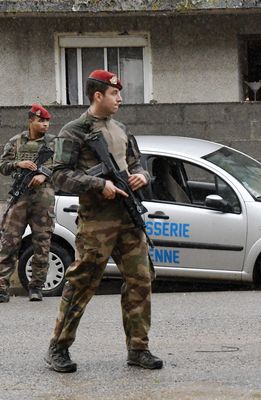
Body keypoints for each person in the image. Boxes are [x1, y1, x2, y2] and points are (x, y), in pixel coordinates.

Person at [45, 70, 162, 373]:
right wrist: (99, 185)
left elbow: (135, 161)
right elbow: (58, 174)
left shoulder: (121, 128)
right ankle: (58, 348)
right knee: (82, 283)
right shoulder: (74, 131)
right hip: (97, 222)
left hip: (127, 216)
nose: (120, 98)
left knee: (141, 279)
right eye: (114, 94)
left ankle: (139, 348)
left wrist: (141, 175)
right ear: (98, 96)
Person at [0, 104, 55, 303]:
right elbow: (3, 166)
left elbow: (64, 165)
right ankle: (1, 287)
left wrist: (44, 174)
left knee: (42, 243)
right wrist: (18, 164)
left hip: (43, 200)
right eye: (41, 121)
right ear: (31, 120)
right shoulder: (15, 142)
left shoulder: (53, 143)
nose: (45, 125)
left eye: (47, 121)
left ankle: (36, 287)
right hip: (20, 197)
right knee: (9, 241)